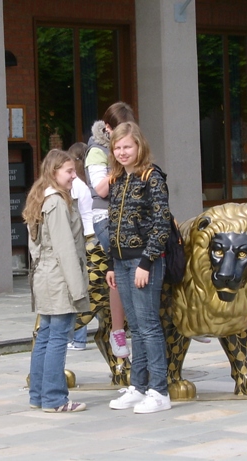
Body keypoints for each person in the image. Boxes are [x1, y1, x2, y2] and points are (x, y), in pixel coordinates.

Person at [105, 121, 172, 414]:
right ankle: (139, 386)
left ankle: (159, 391)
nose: (122, 152)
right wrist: (111, 263)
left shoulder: (151, 177)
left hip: (144, 261)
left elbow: (161, 223)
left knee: (148, 326)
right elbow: (112, 224)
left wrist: (146, 261)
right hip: (121, 262)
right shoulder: (118, 179)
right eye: (117, 147)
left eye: (127, 147)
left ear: (139, 147)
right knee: (135, 327)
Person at [23, 149, 89, 413]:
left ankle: (38, 396)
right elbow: (65, 250)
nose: (74, 176)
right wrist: (78, 290)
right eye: (69, 171)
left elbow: (36, 248)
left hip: (45, 276)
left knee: (46, 336)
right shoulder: (57, 203)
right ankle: (54, 399)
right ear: (54, 172)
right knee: (58, 337)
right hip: (59, 279)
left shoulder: (40, 197)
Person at [84, 101, 135, 358]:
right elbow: (101, 189)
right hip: (105, 217)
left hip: (131, 213)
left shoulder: (131, 145)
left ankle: (181, 314)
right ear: (107, 127)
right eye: (117, 130)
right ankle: (117, 330)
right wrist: (122, 163)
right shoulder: (97, 151)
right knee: (121, 262)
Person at [67, 142, 93, 351]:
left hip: (83, 239)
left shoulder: (76, 186)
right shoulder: (86, 183)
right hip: (89, 237)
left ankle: (78, 338)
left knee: (79, 289)